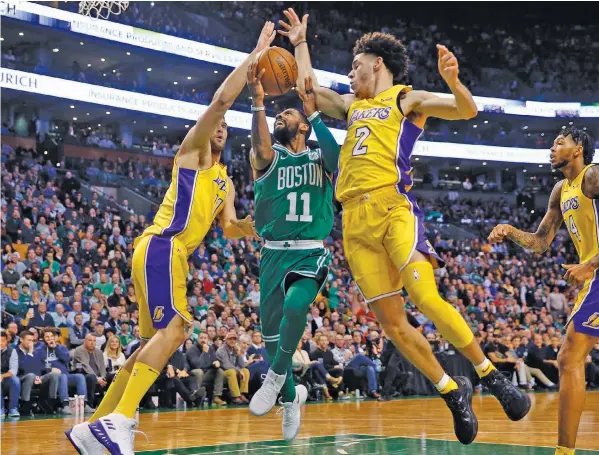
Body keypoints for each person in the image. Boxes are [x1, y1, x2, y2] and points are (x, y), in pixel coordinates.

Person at [278, 7, 529, 445]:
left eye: (355, 65)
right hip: (353, 222)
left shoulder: (406, 100)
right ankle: (451, 391)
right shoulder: (352, 106)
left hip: (393, 208)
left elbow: (465, 110)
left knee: (424, 295)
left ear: (377, 64)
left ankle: (490, 375)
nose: (349, 72)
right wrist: (300, 43)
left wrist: (453, 80)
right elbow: (309, 89)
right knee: (392, 325)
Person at [66, 22, 276, 455]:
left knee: (151, 343)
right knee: (177, 329)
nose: (219, 129)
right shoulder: (193, 153)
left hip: (165, 254)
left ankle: (91, 428)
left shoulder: (225, 183)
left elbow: (231, 227)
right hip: (163, 245)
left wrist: (264, 226)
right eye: (216, 124)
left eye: (223, 129)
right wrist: (254, 55)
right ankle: (120, 419)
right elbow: (221, 100)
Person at [245, 56, 340, 441]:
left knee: (297, 305)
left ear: (302, 125)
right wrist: (257, 100)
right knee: (271, 337)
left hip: (310, 250)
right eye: (277, 116)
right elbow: (260, 146)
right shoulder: (268, 156)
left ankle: (276, 379)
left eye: (288, 113)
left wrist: (315, 115)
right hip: (272, 253)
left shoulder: (320, 154)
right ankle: (290, 398)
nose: (280, 117)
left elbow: (337, 158)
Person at [489, 127, 596, 455]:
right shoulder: (560, 190)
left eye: (559, 143)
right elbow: (540, 243)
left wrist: (589, 266)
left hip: (596, 273)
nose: (552, 148)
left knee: (569, 356)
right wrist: (510, 232)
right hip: (592, 278)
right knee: (569, 358)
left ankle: (565, 451)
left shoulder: (593, 177)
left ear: (578, 149)